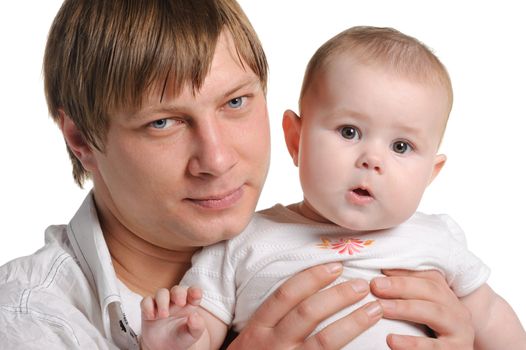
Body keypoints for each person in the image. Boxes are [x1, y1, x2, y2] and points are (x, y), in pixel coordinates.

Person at [0, 1, 475, 349]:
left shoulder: (393, 245)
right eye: (163, 122)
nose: (218, 158)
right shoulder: (30, 322)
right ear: (81, 140)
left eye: (235, 102)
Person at [140, 26, 526, 350]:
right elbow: (204, 323)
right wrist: (177, 337)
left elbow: (490, 315)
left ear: (431, 173)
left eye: (401, 147)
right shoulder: (243, 240)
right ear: (296, 139)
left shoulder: (436, 238)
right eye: (349, 131)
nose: (372, 160)